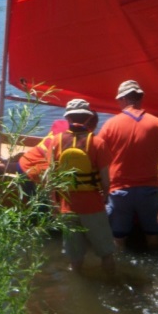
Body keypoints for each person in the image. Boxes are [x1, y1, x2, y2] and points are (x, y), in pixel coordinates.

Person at [98, 80, 158, 249]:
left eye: (119, 100)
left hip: (119, 193)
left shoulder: (110, 125)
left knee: (118, 239)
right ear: (140, 98)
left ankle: (119, 270)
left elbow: (98, 159)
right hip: (150, 192)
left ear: (123, 99)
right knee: (154, 236)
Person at [48, 99, 115, 275]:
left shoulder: (55, 142)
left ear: (68, 118)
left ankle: (78, 284)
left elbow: (51, 179)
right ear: (88, 119)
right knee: (106, 253)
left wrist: (54, 204)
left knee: (75, 258)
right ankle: (110, 283)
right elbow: (105, 180)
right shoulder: (97, 143)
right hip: (93, 206)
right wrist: (104, 196)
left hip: (67, 207)